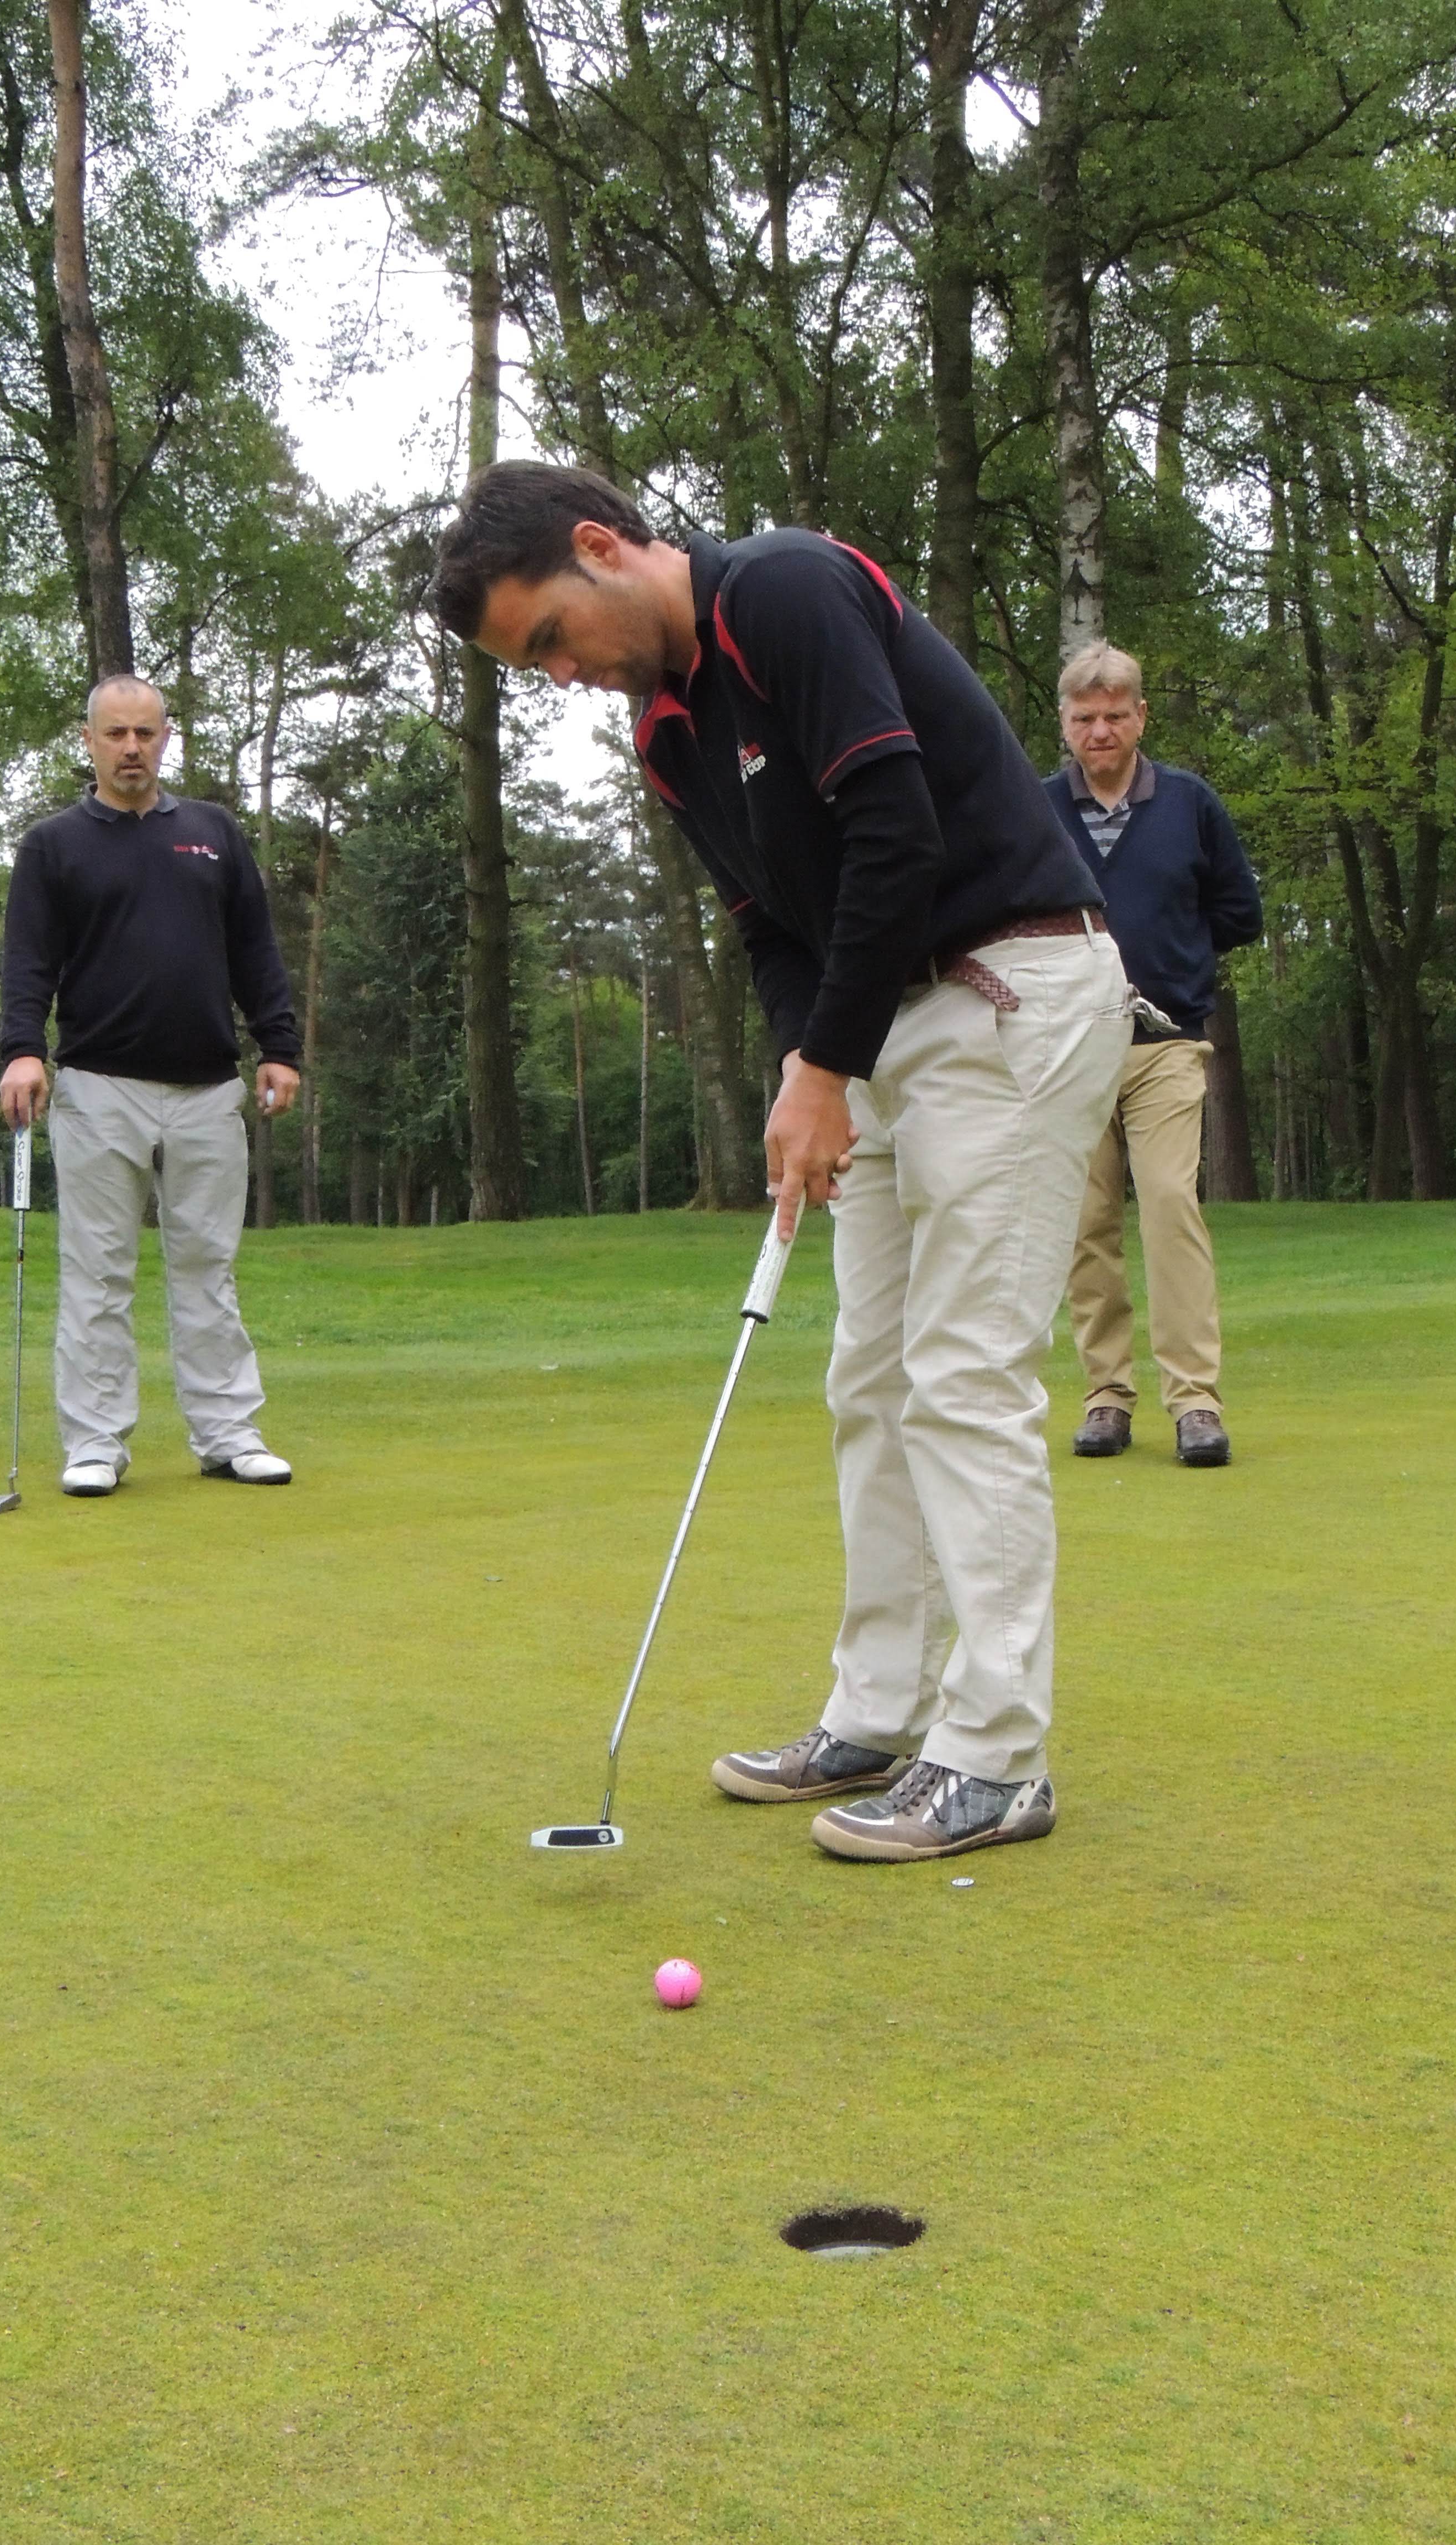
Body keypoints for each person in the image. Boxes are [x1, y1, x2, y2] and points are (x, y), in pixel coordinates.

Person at [436, 462, 1135, 1863]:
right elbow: (771, 925)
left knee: (963, 1371)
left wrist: (826, 1065)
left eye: (552, 636)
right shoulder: (667, 733)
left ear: (601, 546)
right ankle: (878, 1710)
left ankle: (998, 1757)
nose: (562, 674)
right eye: (532, 665)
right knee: (866, 1374)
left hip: (1011, 985)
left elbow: (896, 830)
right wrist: (805, 1069)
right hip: (882, 1022)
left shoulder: (784, 588)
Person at [0, 675, 302, 1498]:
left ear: (165, 738)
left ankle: (228, 1435)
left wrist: (279, 1046)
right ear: (90, 742)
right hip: (99, 1088)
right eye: (116, 734)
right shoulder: (53, 845)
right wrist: (23, 1051)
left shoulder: (212, 833)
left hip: (208, 1089)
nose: (131, 748)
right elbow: (28, 962)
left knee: (209, 1269)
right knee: (97, 1273)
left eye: (145, 733)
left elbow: (255, 949)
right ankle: (95, 1444)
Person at [1041, 644, 1262, 1469]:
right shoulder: (1037, 809)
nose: (1100, 731)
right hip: (1068, 1049)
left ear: (1141, 717)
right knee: (1086, 1222)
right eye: (1085, 718)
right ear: (1065, 724)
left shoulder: (1189, 804)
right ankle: (1106, 1396)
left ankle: (1195, 1402)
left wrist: (1176, 957)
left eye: (1114, 715)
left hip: (1166, 1041)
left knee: (1171, 1203)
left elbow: (1239, 912)